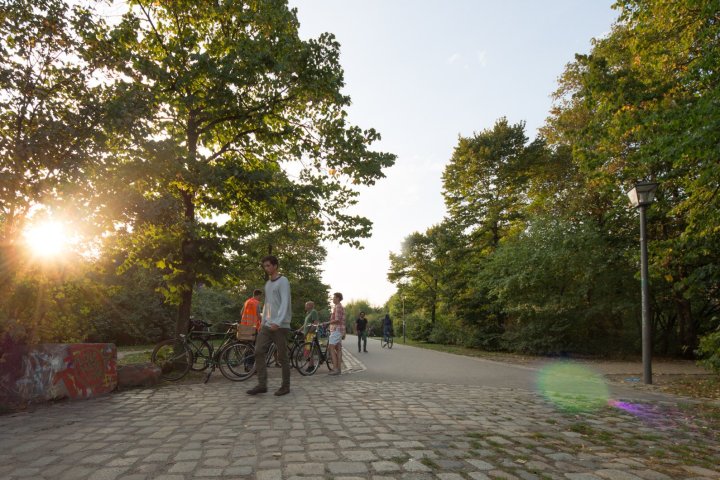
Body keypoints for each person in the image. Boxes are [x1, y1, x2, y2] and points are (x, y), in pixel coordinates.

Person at [247, 255, 292, 396]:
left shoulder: (283, 281)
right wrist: (264, 322)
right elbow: (267, 304)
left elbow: (285, 302)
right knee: (258, 350)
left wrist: (278, 322)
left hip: (281, 325)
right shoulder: (268, 284)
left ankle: (285, 386)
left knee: (282, 357)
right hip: (267, 325)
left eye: (268, 265)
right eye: (264, 266)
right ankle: (262, 384)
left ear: (275, 266)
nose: (266, 268)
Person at [327, 292, 345, 375]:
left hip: (336, 329)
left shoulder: (337, 307)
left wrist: (327, 322)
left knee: (331, 347)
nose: (333, 299)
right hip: (340, 329)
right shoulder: (340, 306)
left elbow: (337, 320)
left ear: (338, 298)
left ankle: (335, 369)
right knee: (338, 349)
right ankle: (339, 369)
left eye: (334, 297)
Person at [301, 301, 319, 372]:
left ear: (310, 306)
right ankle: (310, 365)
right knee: (307, 350)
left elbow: (316, 323)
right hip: (307, 334)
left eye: (306, 305)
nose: (305, 306)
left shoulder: (313, 312)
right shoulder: (308, 313)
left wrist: (310, 331)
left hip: (311, 334)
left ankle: (311, 366)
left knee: (309, 349)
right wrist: (300, 329)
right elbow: (305, 324)